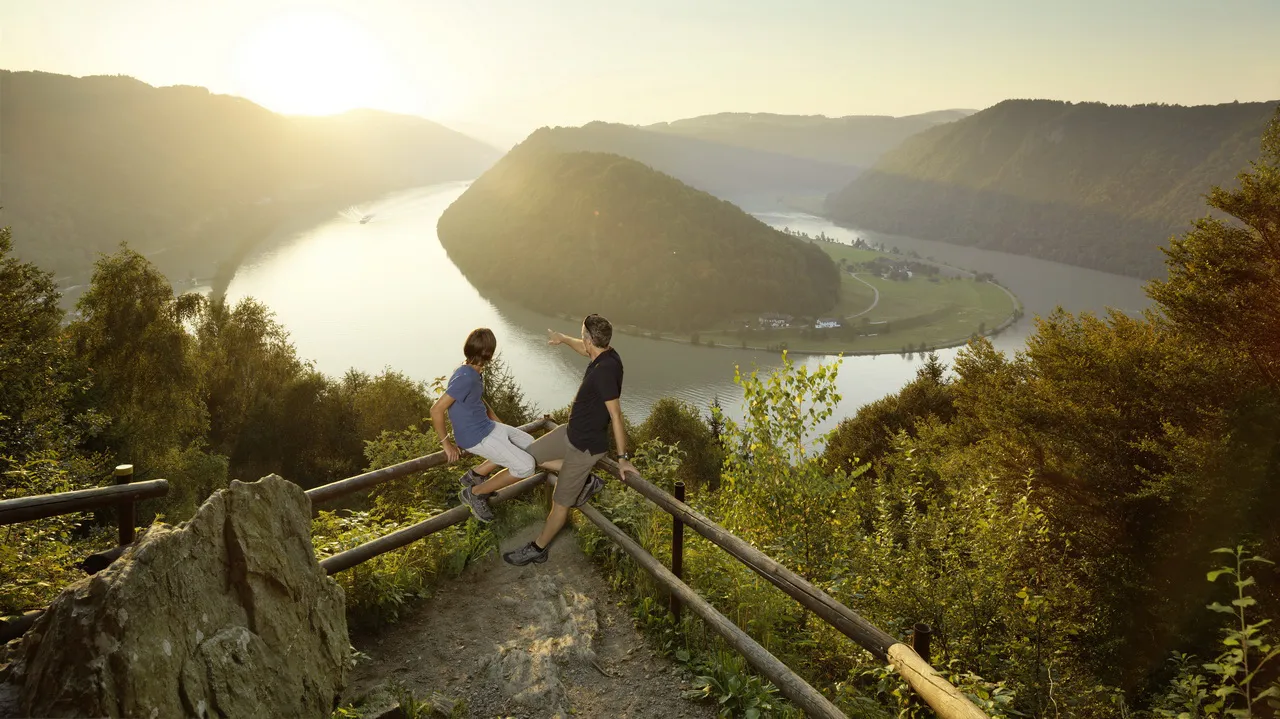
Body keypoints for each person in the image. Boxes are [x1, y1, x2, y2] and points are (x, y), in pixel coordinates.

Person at [466, 314, 636, 566]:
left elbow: (616, 414)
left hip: (585, 447)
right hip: (570, 432)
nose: (581, 340)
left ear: (590, 340)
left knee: (560, 503)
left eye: (582, 336)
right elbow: (582, 348)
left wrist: (623, 459)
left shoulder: (605, 372)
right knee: (526, 458)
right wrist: (564, 339)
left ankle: (538, 548)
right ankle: (478, 493)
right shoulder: (606, 353)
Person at [430, 328, 538, 523]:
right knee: (526, 467)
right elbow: (436, 410)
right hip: (474, 436)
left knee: (529, 443)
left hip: (486, 426)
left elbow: (475, 399)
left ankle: (476, 474)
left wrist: (496, 420)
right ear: (490, 353)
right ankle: (475, 493)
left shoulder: (472, 370)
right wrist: (446, 444)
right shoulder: (466, 377)